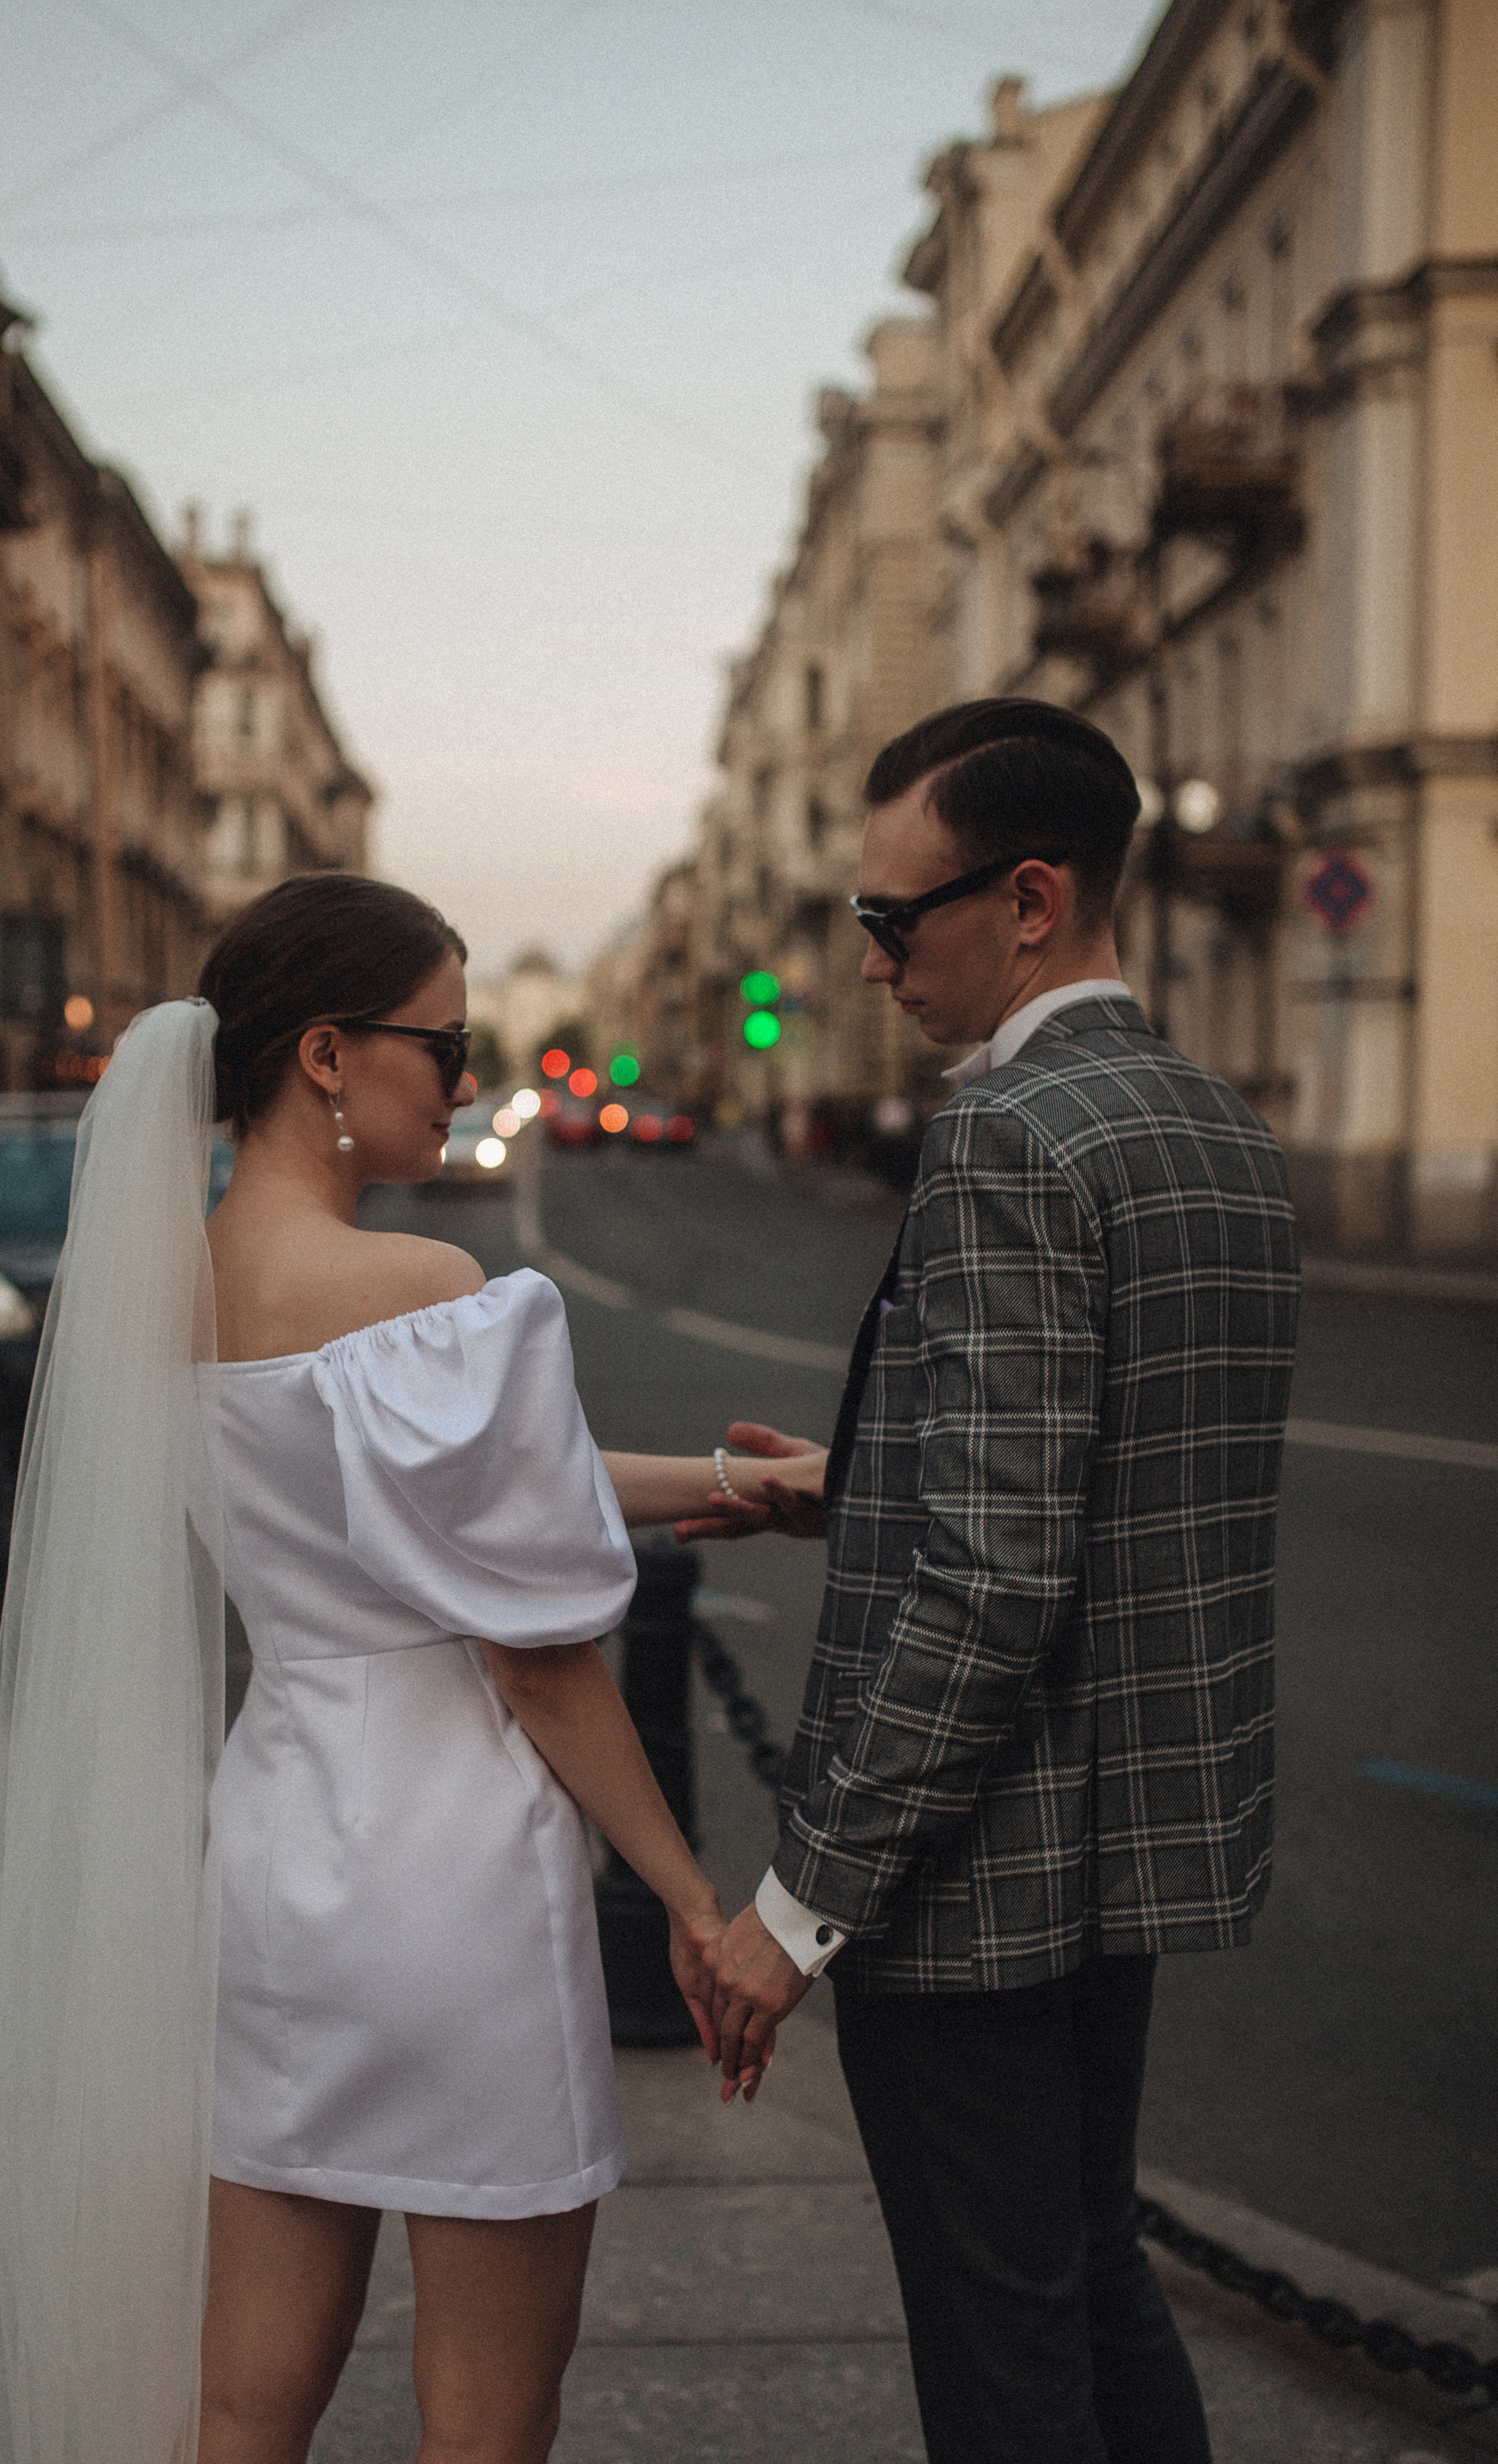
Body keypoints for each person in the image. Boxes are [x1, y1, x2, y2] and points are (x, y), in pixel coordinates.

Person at [0, 871, 789, 2464]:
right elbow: (536, 1657)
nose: (468, 1080)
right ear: (331, 1053)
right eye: (449, 1041)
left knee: (243, 2403)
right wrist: (693, 1905)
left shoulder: (173, 1288)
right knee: (486, 2420)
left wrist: (723, 1476)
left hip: (280, 1849)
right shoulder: (424, 1291)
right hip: (457, 1880)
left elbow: (443, 1476)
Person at [690, 699, 1300, 2464]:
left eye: (894, 917)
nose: (870, 960)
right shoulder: (1212, 1125)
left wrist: (796, 1910)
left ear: (1030, 897)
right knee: (1092, 2276)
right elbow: (1121, 1482)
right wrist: (859, 1485)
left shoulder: (1009, 1137)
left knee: (1002, 2342)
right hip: (1126, 1855)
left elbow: (991, 1586)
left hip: (976, 1873)